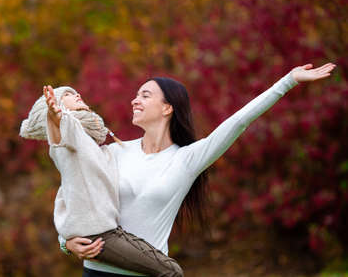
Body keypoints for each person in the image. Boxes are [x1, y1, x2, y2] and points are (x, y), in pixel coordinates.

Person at [58, 63, 337, 276]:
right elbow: (72, 193)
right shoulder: (115, 151)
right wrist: (65, 241)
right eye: (135, 95)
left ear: (168, 108)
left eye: (145, 95)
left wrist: (287, 82)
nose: (134, 100)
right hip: (97, 271)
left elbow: (239, 121)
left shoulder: (188, 159)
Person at [19, 85, 183, 277]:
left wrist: (66, 242)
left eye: (75, 92)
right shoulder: (68, 140)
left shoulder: (97, 147)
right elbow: (60, 138)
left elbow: (69, 195)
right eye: (68, 95)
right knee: (171, 272)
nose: (77, 94)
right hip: (100, 235)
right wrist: (56, 118)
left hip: (111, 232)